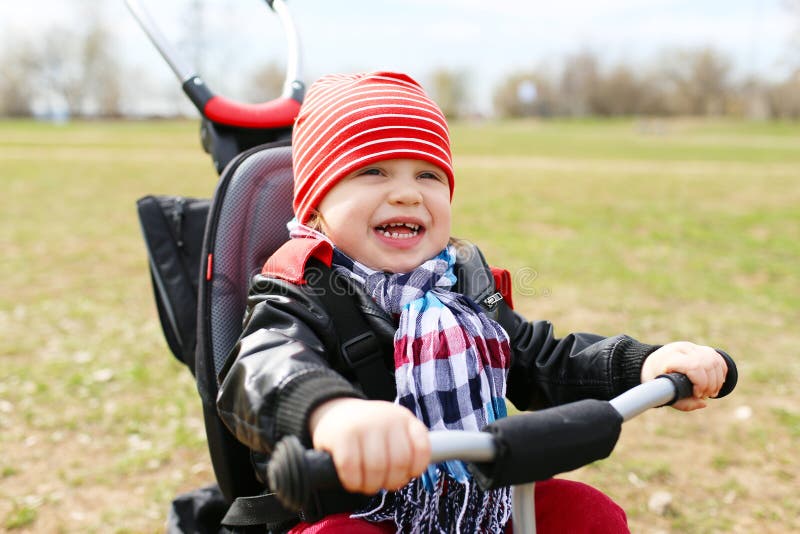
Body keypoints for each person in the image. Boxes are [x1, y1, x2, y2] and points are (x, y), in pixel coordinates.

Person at [216, 71, 732, 533]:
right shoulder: (300, 289)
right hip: (356, 511)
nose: (407, 194)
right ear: (318, 208)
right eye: (373, 171)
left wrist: (643, 364)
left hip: (481, 499)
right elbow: (264, 370)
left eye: (428, 175)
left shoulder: (462, 282)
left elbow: (542, 361)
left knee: (586, 513)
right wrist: (331, 413)